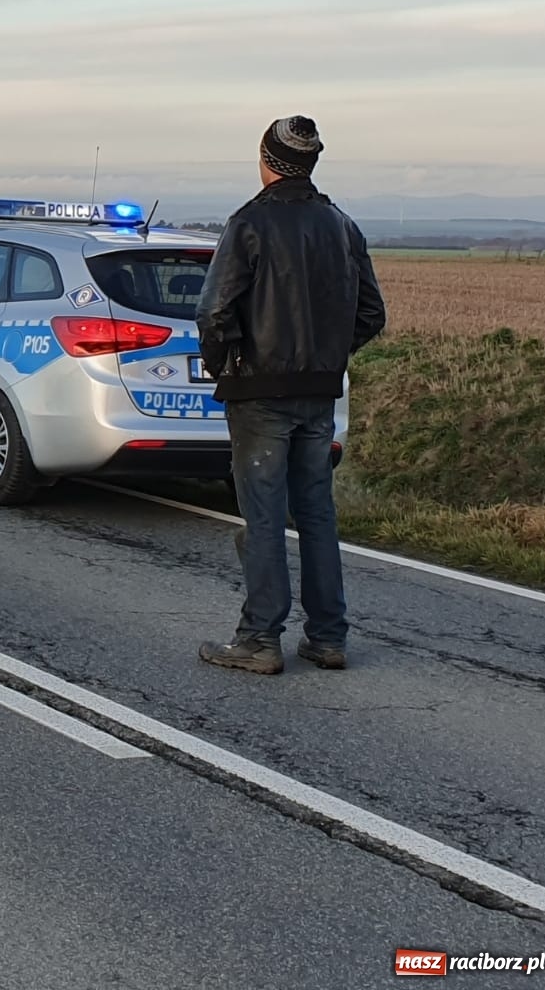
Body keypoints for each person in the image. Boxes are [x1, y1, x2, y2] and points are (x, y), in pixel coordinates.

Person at [195, 116, 386, 675]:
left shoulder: (249, 223)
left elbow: (213, 311)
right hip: (319, 391)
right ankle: (328, 637)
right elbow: (371, 313)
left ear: (265, 160)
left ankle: (259, 638)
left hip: (260, 392)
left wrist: (223, 364)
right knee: (316, 514)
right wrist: (328, 356)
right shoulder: (342, 225)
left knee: (264, 516)